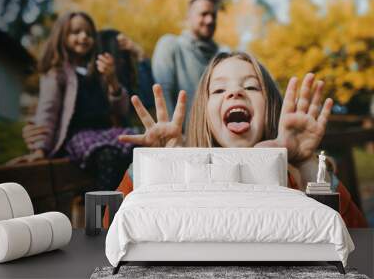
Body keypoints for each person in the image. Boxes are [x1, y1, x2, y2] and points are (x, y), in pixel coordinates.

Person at [113, 51, 367, 228]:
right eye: (220, 89)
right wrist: (161, 165)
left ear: (271, 109)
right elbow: (111, 227)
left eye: (251, 87)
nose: (235, 92)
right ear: (204, 114)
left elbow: (355, 237)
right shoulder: (182, 175)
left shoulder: (295, 179)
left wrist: (305, 163)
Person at [10, 12, 134, 191]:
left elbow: (121, 110)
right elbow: (48, 110)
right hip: (78, 135)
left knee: (137, 147)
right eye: (76, 32)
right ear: (62, 36)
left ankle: (128, 206)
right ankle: (102, 213)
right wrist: (40, 149)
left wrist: (112, 79)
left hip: (106, 131)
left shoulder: (98, 70)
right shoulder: (57, 72)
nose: (84, 37)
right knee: (107, 156)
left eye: (89, 33)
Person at [152, 0, 220, 120]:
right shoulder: (170, 45)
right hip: (180, 136)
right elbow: (162, 93)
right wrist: (172, 135)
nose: (210, 20)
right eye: (204, 14)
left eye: (213, 16)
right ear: (189, 17)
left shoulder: (221, 57)